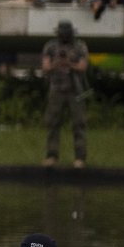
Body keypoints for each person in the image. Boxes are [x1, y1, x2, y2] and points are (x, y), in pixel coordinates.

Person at [40, 20, 88, 168]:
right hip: (56, 88)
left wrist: (69, 64)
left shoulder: (79, 46)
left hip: (75, 89)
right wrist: (57, 63)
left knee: (79, 123)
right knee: (53, 122)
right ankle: (52, 155)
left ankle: (80, 157)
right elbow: (45, 67)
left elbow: (82, 67)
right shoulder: (50, 46)